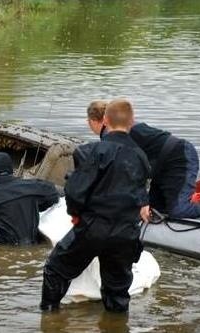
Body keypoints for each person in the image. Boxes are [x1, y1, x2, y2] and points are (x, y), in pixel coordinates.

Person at [40, 99, 150, 313]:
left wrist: (75, 214)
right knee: (117, 290)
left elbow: (75, 190)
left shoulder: (94, 151)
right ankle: (116, 324)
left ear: (106, 120)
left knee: (55, 270)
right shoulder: (141, 156)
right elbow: (141, 192)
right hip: (126, 233)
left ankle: (50, 318)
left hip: (94, 227)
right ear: (132, 121)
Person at [86, 100, 200, 218]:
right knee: (157, 209)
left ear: (94, 121)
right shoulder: (117, 130)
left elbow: (131, 171)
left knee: (179, 211)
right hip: (161, 167)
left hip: (179, 158)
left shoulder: (113, 136)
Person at [0, 152, 59, 245]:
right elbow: (54, 196)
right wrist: (34, 207)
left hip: (6, 248)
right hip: (34, 245)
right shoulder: (33, 186)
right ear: (12, 169)